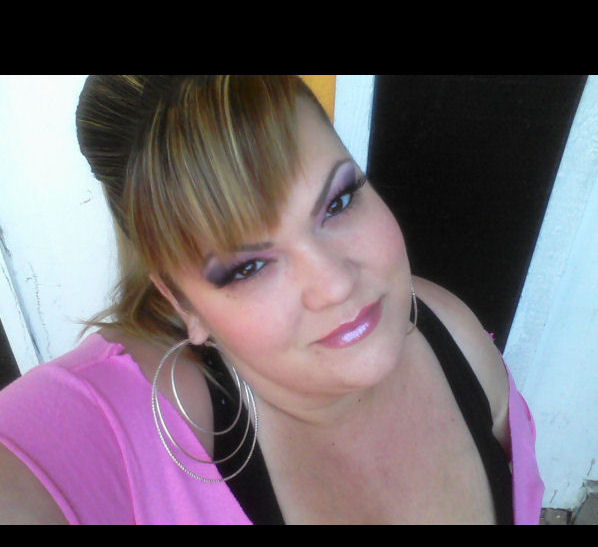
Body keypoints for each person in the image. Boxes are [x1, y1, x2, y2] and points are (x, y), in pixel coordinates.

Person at [0, 75, 544, 524]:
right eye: (249, 267)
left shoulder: (454, 332)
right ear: (183, 304)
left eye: (339, 200)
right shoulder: (111, 431)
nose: (335, 285)